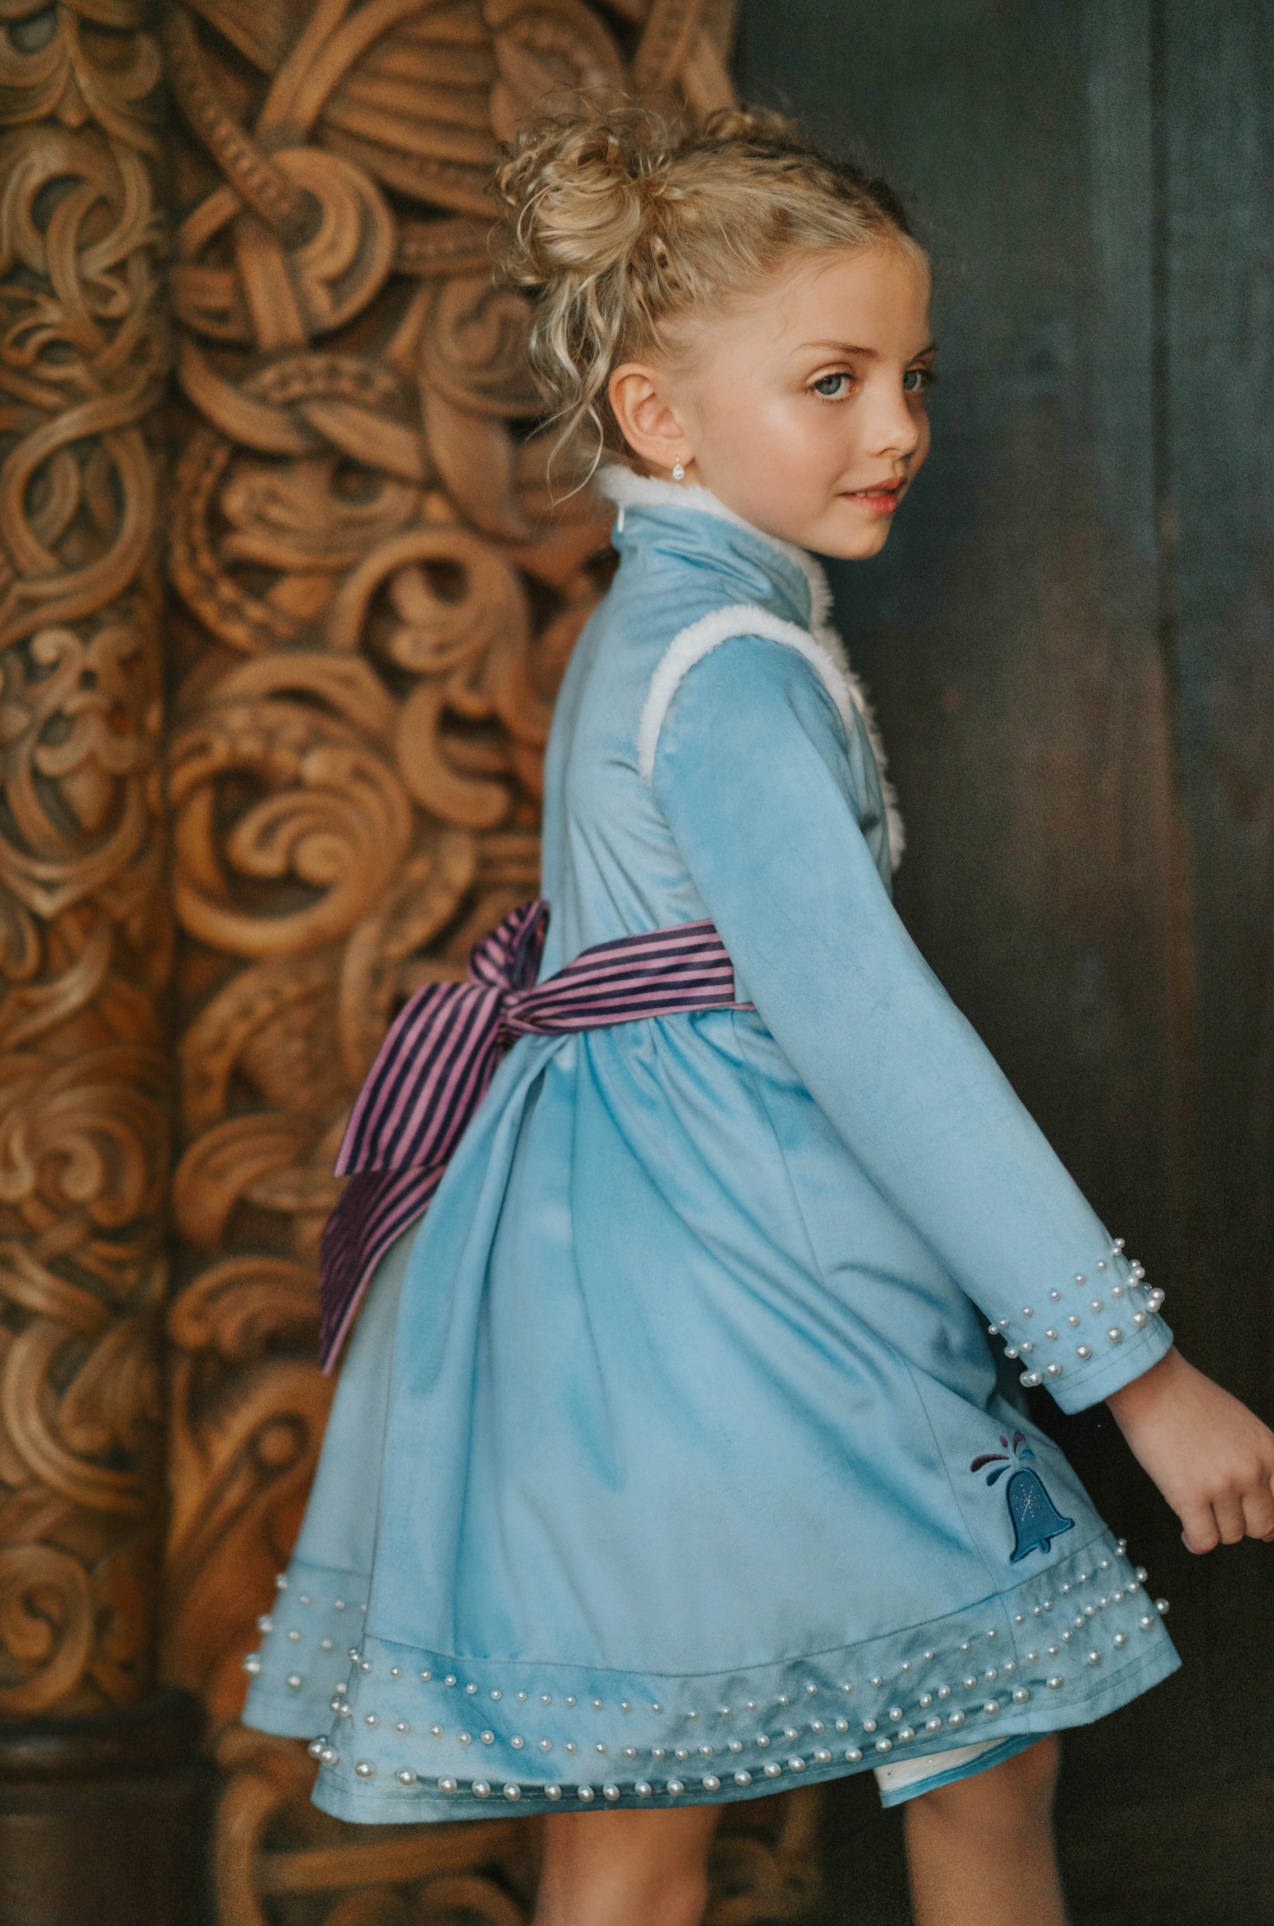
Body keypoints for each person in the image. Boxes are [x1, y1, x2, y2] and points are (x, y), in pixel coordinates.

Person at [242, 106, 1274, 1926]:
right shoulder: (728, 670)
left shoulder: (670, 622)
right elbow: (875, 1036)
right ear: (660, 415)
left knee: (644, 1806)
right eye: (831, 378)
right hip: (737, 1281)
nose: (897, 428)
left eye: (911, 376)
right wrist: (1140, 1375)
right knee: (987, 1726)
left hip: (598, 1285)